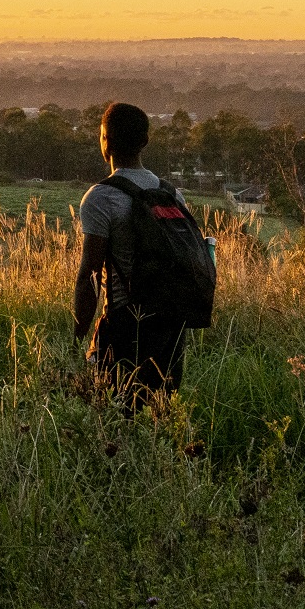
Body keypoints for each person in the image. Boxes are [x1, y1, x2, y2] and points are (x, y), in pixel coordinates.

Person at [73, 101, 192, 398]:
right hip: (170, 328)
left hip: (124, 324)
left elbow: (89, 275)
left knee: (112, 413)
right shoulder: (172, 194)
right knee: (161, 417)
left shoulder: (101, 198)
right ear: (145, 142)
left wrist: (78, 336)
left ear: (105, 140)